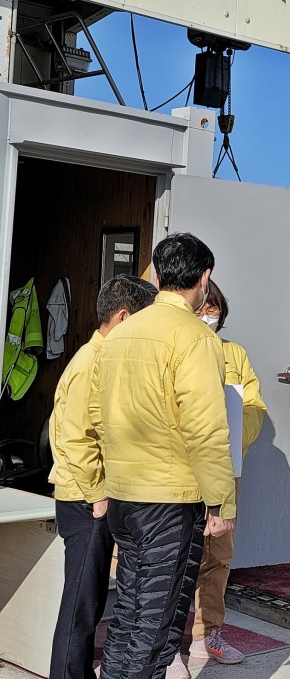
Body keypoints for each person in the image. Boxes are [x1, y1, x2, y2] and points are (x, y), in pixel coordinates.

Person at [66, 232, 238, 679]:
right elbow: (205, 427)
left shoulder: (119, 336)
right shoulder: (195, 338)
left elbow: (98, 418)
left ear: (158, 276)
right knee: (155, 623)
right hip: (169, 499)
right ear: (204, 278)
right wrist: (222, 501)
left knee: (128, 610)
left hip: (124, 495)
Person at [49, 275, 157, 679]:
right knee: (80, 604)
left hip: (93, 497)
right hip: (84, 499)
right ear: (124, 317)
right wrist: (97, 496)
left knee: (89, 602)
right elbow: (75, 438)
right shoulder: (90, 363)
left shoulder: (104, 359)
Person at [167, 280, 266, 678]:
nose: (207, 315)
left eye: (214, 309)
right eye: (202, 308)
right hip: (177, 471)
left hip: (225, 468)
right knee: (173, 557)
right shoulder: (176, 347)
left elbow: (254, 405)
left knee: (218, 555)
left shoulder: (233, 353)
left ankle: (209, 634)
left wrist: (233, 436)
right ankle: (170, 646)